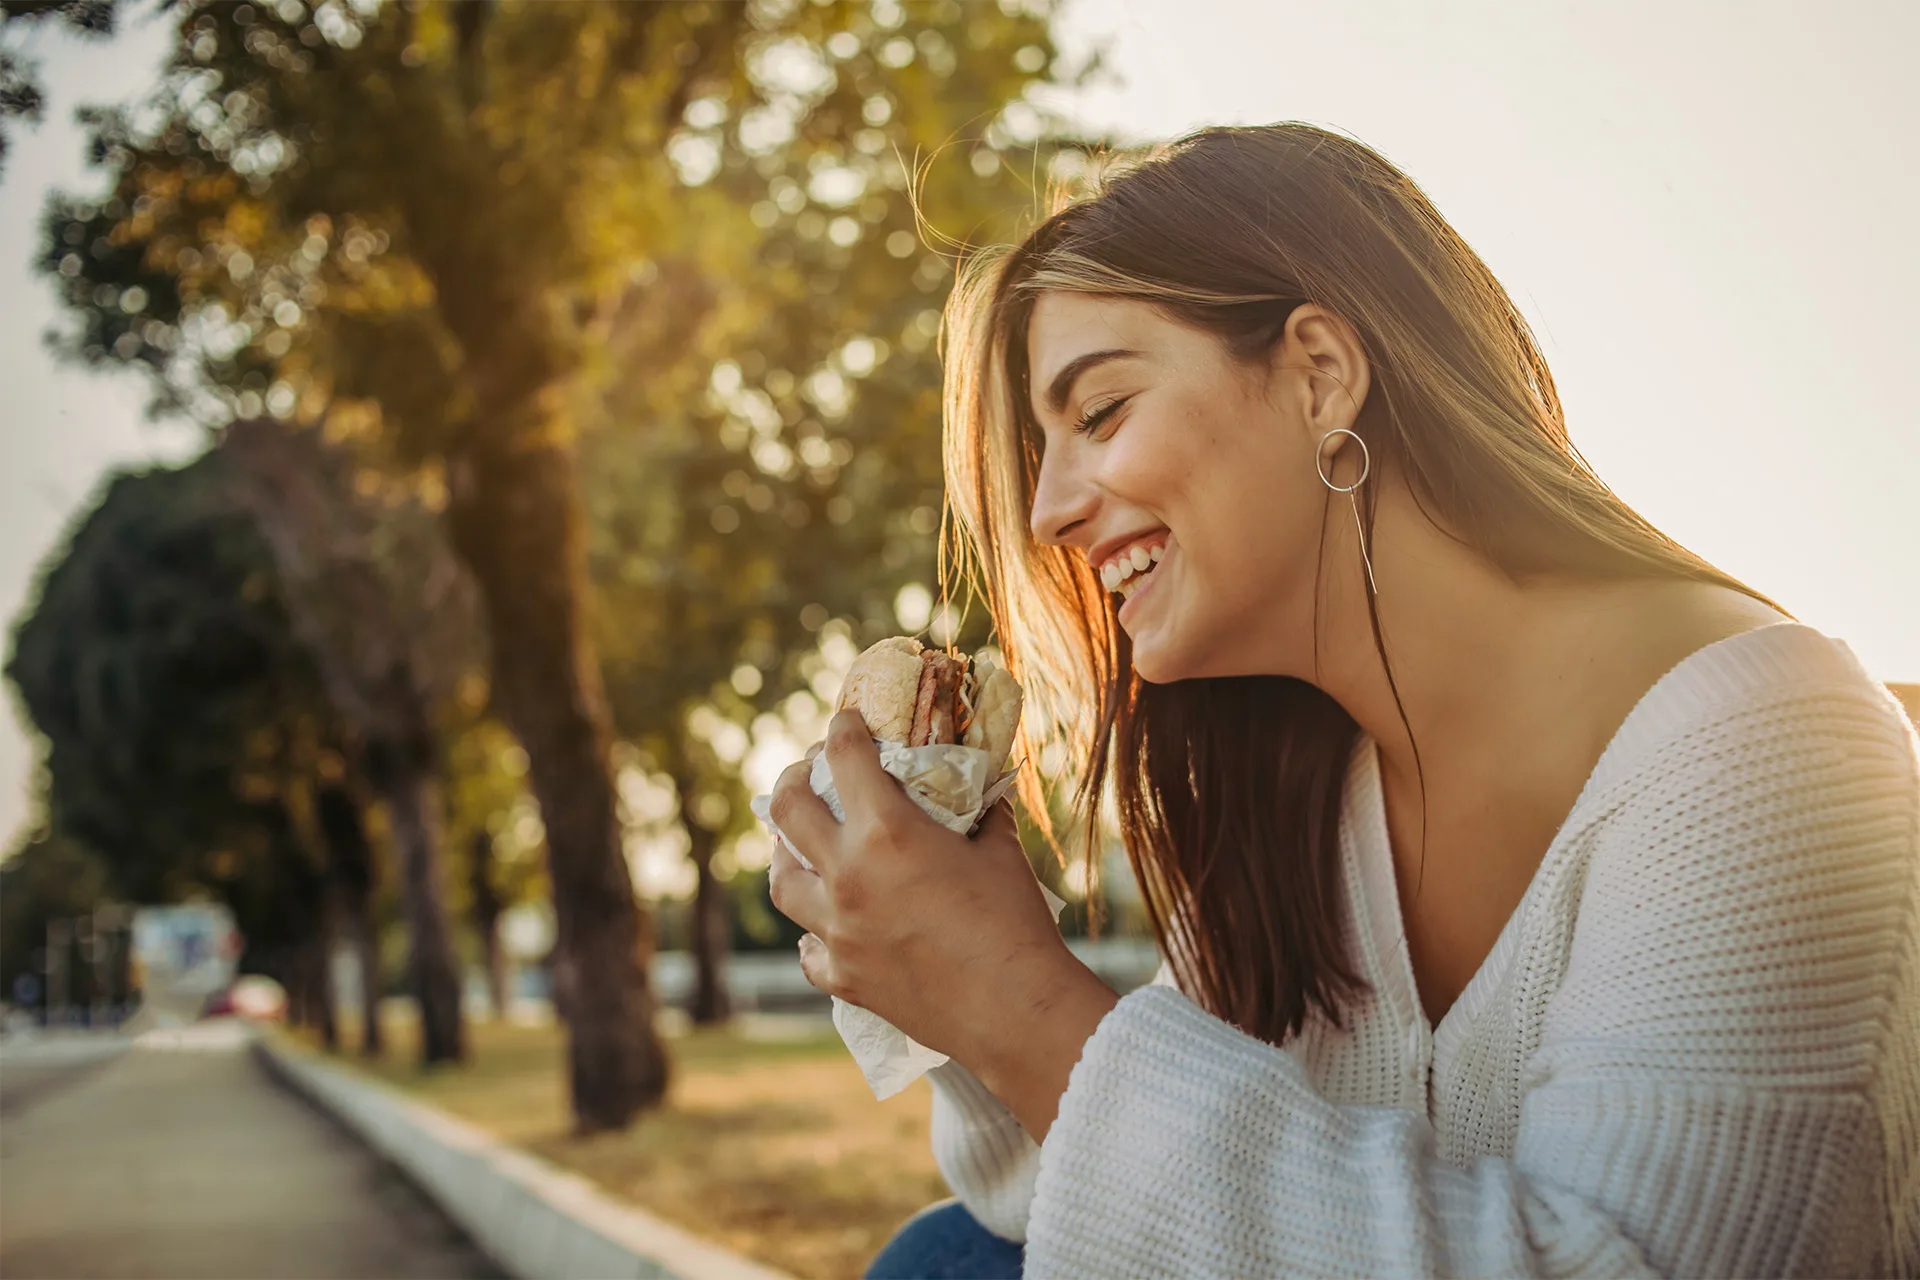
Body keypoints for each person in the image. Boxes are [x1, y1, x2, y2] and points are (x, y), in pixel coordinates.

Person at [765, 124, 1920, 1279]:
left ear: (1321, 371)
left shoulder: (1775, 750)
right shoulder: (1305, 789)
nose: (1047, 513)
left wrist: (1012, 996)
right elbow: (1059, 1205)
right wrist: (945, 965)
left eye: (1101, 412)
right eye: (1040, 447)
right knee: (952, 1257)